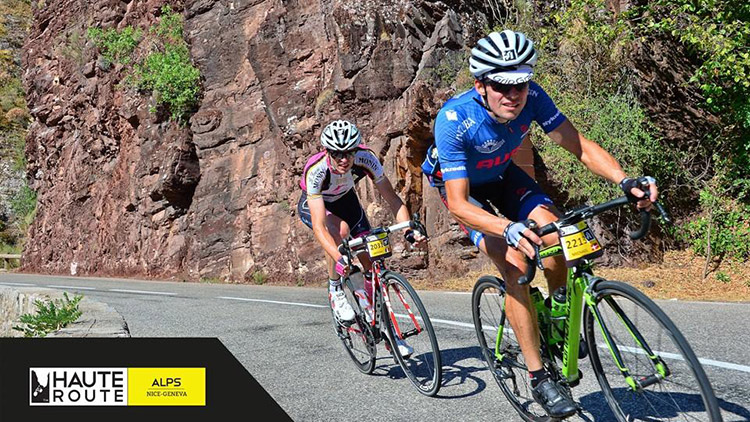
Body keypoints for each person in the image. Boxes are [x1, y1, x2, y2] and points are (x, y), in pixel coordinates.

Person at [421, 30, 658, 418]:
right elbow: (461, 205)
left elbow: (577, 145)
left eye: (521, 84)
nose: (513, 95)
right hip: (464, 190)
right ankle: (538, 377)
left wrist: (625, 181)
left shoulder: (533, 98)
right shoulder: (454, 119)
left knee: (558, 232)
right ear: (481, 85)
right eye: (502, 86)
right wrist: (507, 228)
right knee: (514, 264)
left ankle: (561, 310)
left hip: (502, 174)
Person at [299, 119, 426, 355]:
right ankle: (335, 289)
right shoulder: (316, 170)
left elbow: (393, 199)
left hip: (346, 202)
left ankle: (386, 330)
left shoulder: (366, 159)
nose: (344, 159)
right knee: (341, 231)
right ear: (328, 152)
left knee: (372, 261)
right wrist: (339, 258)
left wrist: (408, 229)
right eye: (337, 154)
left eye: (349, 152)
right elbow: (319, 227)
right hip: (317, 206)